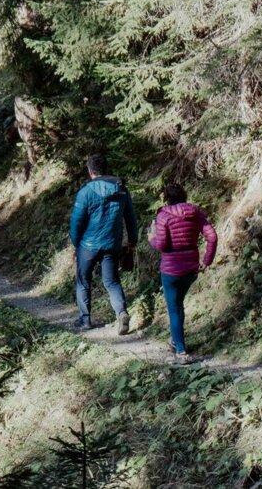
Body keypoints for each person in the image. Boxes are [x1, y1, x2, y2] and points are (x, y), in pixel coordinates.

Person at [147, 183, 218, 365]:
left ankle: (181, 351)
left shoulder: (163, 216)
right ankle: (176, 341)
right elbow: (212, 236)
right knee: (178, 306)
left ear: (166, 198)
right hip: (191, 267)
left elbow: (161, 245)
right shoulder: (197, 213)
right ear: (185, 195)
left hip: (171, 268)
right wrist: (207, 261)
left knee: (174, 308)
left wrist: (151, 238)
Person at [69, 154, 139, 334]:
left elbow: (76, 222)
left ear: (90, 171)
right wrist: (132, 240)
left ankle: (85, 321)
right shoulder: (121, 190)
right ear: (105, 169)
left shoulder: (86, 192)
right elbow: (130, 218)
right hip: (112, 244)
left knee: (83, 281)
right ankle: (121, 312)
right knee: (112, 281)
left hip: (88, 246)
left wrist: (76, 244)